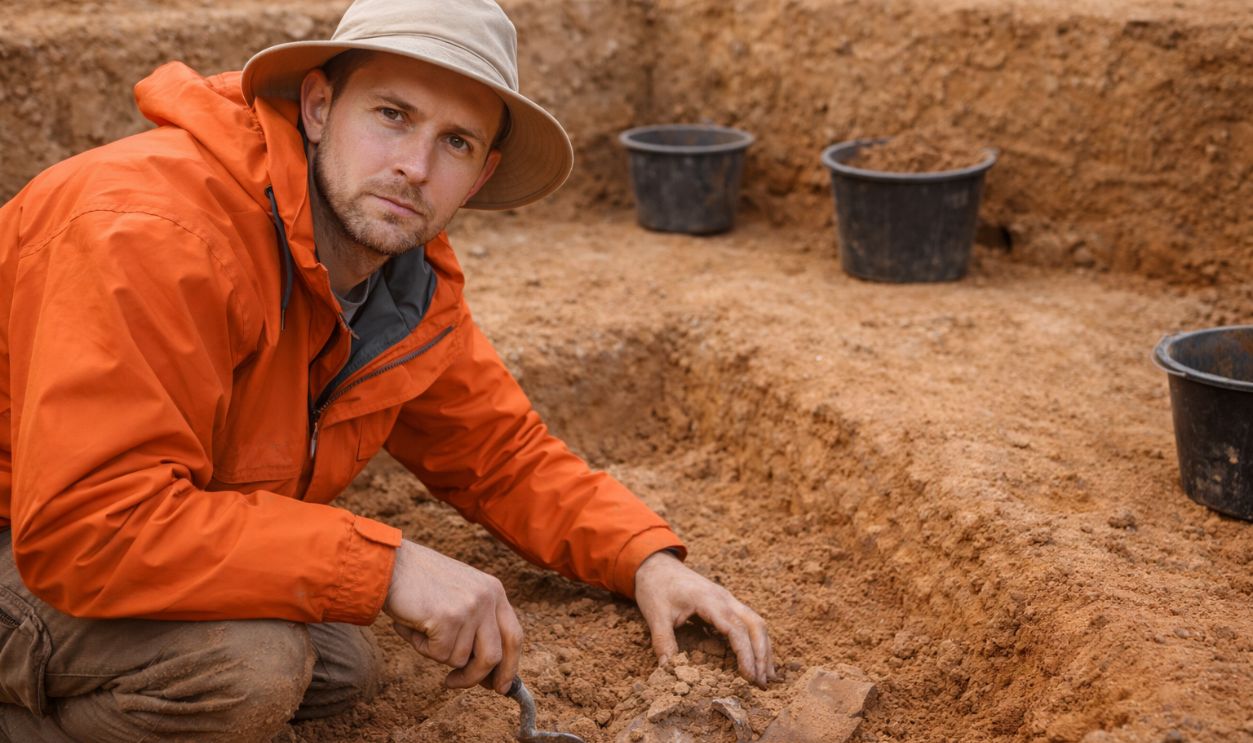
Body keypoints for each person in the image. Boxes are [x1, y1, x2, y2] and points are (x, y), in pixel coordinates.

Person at [0, 0, 774, 740]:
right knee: (250, 665)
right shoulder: (148, 231)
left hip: (125, 530)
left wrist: (644, 559)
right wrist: (390, 561)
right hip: (34, 528)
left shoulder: (397, 281)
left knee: (339, 663)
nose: (413, 166)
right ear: (316, 106)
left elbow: (499, 453)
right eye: (392, 115)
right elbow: (88, 522)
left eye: (456, 143)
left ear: (479, 175)